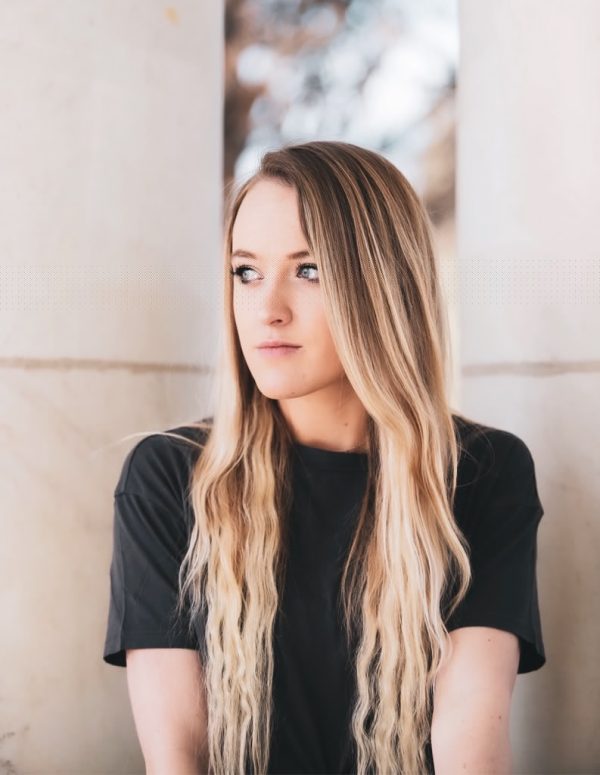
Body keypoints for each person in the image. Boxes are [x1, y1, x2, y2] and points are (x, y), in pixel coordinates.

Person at [103, 140, 546, 775]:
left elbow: (471, 744)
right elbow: (177, 758)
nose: (267, 310)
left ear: (385, 285)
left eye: (308, 270)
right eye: (246, 272)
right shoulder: (171, 476)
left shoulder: (481, 472)